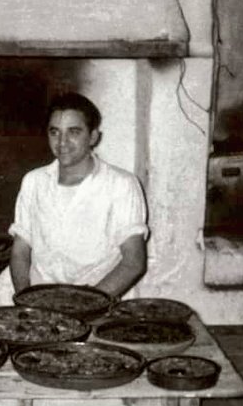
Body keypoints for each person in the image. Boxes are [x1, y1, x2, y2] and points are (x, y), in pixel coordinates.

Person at [9, 92, 149, 298]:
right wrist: (25, 299)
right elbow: (20, 251)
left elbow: (133, 263)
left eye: (73, 132)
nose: (62, 142)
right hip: (40, 307)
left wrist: (86, 305)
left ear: (93, 137)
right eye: (54, 132)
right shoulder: (34, 181)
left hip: (98, 309)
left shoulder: (121, 184)